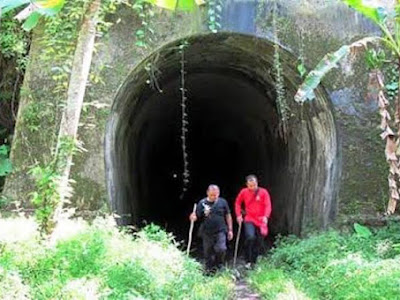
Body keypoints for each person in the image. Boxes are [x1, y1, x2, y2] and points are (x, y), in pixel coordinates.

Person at [189, 184, 233, 272]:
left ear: (219, 193)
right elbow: (196, 216)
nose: (214, 197)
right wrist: (192, 217)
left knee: (221, 248)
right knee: (208, 252)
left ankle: (219, 265)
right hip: (207, 231)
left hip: (221, 230)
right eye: (212, 195)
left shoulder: (223, 202)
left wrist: (230, 230)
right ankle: (209, 269)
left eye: (216, 195)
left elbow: (228, 215)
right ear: (207, 193)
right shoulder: (202, 203)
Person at [235, 174, 272, 268]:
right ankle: (247, 259)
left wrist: (266, 216)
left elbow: (268, 205)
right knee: (250, 237)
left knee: (259, 241)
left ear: (257, 183)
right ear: (247, 185)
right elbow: (238, 203)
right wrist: (238, 215)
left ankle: (254, 261)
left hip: (260, 219)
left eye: (254, 185)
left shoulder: (263, 192)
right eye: (250, 186)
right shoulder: (244, 192)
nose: (253, 187)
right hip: (249, 218)